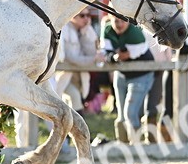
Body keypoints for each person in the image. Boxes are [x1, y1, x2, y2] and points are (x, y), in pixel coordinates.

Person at [101, 15, 155, 144]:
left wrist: (115, 57)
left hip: (140, 75)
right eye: (116, 21)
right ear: (111, 20)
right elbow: (106, 53)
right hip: (121, 74)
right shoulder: (107, 30)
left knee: (130, 113)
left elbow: (126, 55)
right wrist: (113, 57)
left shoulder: (136, 34)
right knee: (120, 115)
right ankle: (123, 144)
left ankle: (135, 145)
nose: (119, 24)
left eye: (122, 21)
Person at [53, 8, 100, 113]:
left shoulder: (84, 31)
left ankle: (72, 129)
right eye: (82, 15)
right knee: (74, 99)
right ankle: (78, 129)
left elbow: (91, 53)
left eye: (88, 15)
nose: (86, 18)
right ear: (73, 16)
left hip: (78, 76)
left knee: (72, 105)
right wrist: (92, 59)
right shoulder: (64, 29)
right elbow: (69, 57)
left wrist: (86, 34)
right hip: (62, 75)